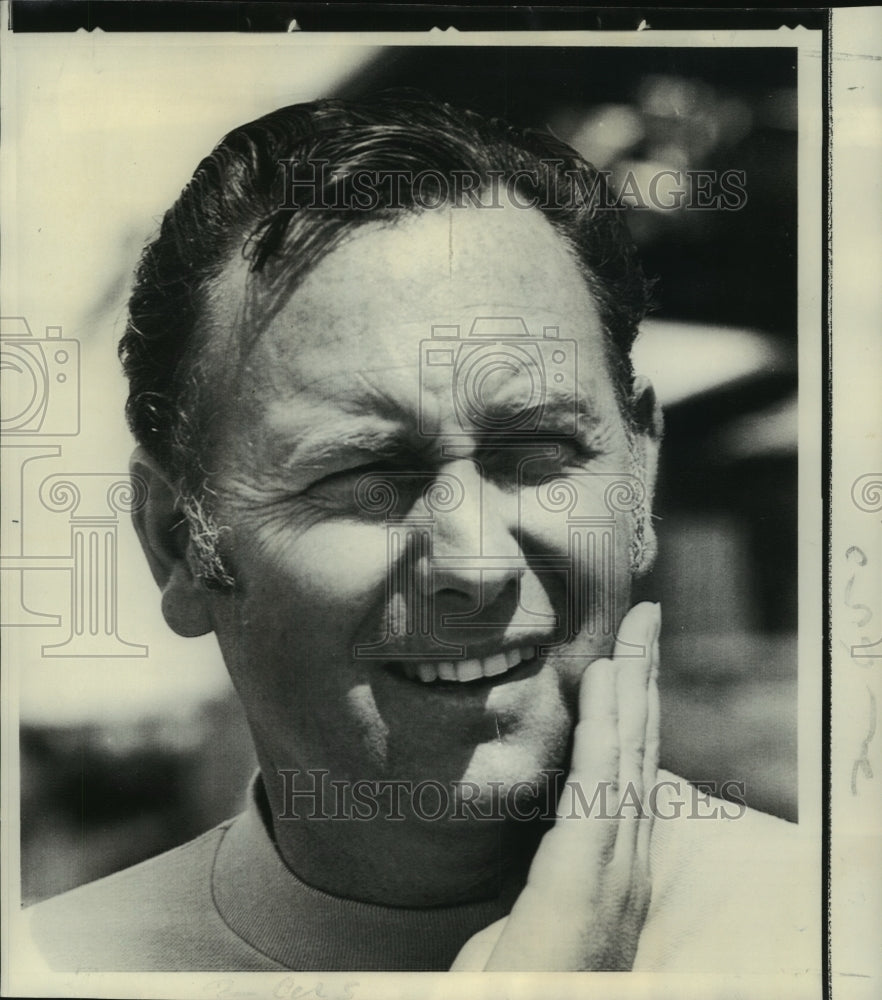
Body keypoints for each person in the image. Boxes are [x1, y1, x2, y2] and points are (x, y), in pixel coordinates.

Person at [27, 93, 817, 974]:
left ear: (638, 482)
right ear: (179, 542)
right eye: (366, 477)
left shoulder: (831, 942)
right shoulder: (52, 969)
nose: (476, 566)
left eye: (541, 453)